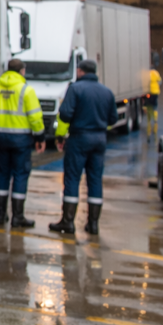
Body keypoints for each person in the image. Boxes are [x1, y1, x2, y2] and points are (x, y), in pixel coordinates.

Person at [49, 59, 117, 235]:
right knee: (95, 180)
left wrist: (60, 136)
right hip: (100, 139)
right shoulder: (107, 92)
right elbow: (113, 119)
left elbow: (64, 114)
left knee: (72, 179)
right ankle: (93, 224)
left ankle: (68, 222)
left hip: (79, 138)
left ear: (80, 71)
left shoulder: (75, 89)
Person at [0, 58, 45, 227]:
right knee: (20, 175)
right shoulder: (26, 91)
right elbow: (35, 117)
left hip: (0, 139)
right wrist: (40, 138)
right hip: (21, 141)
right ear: (22, 71)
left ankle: (1, 215)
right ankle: (18, 217)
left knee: (2, 174)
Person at [146, 66, 161, 135]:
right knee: (155, 106)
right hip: (156, 92)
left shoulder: (148, 74)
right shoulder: (156, 73)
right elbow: (160, 82)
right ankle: (155, 119)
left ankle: (149, 118)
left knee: (149, 105)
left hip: (150, 92)